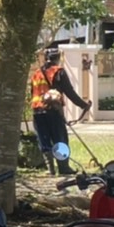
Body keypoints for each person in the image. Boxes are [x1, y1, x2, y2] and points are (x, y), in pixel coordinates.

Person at [29, 46, 90, 175]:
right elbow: (69, 92)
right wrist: (83, 105)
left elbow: (32, 93)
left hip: (37, 111)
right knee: (60, 138)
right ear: (59, 58)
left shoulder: (36, 73)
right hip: (53, 111)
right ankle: (63, 167)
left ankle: (50, 169)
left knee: (44, 139)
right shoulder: (59, 72)